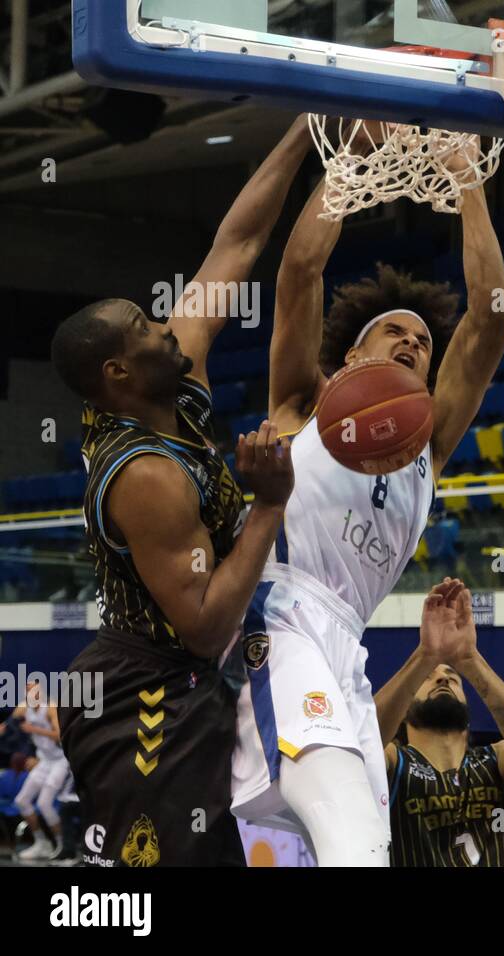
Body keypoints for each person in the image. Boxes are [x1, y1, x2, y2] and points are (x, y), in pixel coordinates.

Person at [230, 136, 504, 865]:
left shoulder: (430, 443)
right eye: (395, 331)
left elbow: (491, 317)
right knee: (349, 830)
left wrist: (467, 179)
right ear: (353, 356)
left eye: (422, 338)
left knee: (367, 846)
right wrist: (349, 167)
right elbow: (299, 270)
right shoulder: (304, 401)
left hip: (345, 645)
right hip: (278, 612)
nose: (414, 341)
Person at [50, 118, 309, 866]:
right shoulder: (145, 475)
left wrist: (302, 132)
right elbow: (200, 623)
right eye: (144, 329)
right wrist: (269, 504)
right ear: (117, 377)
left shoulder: (176, 378)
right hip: (146, 697)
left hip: (188, 677)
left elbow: (236, 246)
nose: (165, 326)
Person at [373, 579, 504, 866]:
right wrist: (425, 656)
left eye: (453, 677)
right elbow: (359, 744)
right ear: (404, 706)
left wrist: (470, 660)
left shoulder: (495, 762)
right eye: (427, 677)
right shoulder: (393, 761)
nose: (442, 677)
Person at [6, 680, 69, 861]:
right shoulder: (24, 707)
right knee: (22, 800)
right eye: (27, 689)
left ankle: (63, 845)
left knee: (44, 804)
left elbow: (59, 736)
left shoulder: (50, 708)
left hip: (59, 761)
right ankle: (42, 843)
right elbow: (8, 725)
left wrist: (33, 729)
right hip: (44, 760)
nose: (30, 691)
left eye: (33, 688)